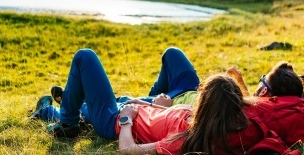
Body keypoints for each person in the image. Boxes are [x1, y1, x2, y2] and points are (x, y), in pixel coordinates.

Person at [32, 48, 301, 155]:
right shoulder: (207, 122)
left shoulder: (185, 139)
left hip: (117, 120)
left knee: (85, 59)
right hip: (143, 108)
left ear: (204, 102)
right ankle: (67, 106)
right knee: (93, 103)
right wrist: (158, 105)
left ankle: (62, 116)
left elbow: (128, 150)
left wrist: (126, 119)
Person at [31, 47, 200, 122]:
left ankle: (54, 111)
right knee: (172, 53)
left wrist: (164, 110)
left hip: (172, 108)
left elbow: (193, 125)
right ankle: (150, 99)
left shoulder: (215, 125)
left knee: (119, 104)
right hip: (188, 90)